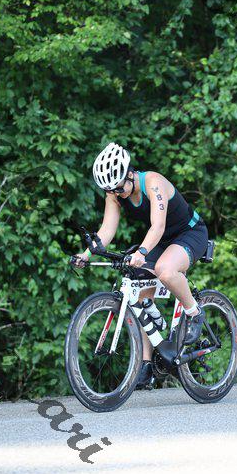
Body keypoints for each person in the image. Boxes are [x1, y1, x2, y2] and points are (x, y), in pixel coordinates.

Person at [74, 142, 209, 388]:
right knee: (138, 288)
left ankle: (195, 312)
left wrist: (142, 252)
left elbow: (158, 226)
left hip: (189, 233)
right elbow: (107, 230)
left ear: (130, 173)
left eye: (118, 188)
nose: (116, 193)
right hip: (162, 240)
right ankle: (147, 363)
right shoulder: (114, 194)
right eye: (110, 190)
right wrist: (86, 254)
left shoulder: (153, 183)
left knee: (165, 270)